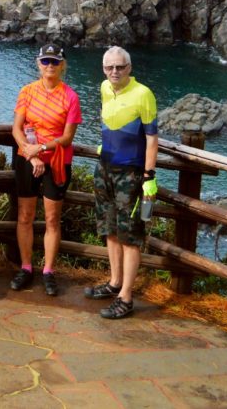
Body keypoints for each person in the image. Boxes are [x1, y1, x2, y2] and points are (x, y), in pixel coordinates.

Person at [85, 46, 159, 320]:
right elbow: (110, 120)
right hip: (105, 168)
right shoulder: (105, 87)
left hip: (131, 173)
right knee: (110, 229)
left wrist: (149, 176)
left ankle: (126, 297)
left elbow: (152, 138)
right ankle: (114, 282)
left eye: (120, 67)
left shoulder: (143, 94)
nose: (114, 72)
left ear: (129, 67)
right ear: (104, 69)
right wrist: (106, 145)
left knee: (130, 236)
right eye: (109, 67)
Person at [10, 44, 82, 297]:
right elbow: (17, 129)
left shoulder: (70, 96)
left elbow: (67, 137)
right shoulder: (27, 91)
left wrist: (38, 149)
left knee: (52, 219)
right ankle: (26, 267)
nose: (49, 66)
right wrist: (31, 154)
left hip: (56, 161)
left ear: (62, 65)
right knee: (24, 216)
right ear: (37, 63)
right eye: (45, 61)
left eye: (54, 62)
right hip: (27, 159)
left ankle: (48, 271)